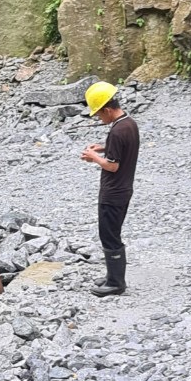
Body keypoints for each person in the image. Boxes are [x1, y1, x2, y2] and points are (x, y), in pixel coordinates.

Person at [80, 81, 139, 298]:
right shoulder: (128, 124)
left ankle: (116, 283)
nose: (98, 118)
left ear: (107, 109)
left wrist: (94, 157)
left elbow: (113, 165)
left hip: (113, 192)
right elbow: (122, 148)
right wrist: (102, 147)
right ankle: (111, 276)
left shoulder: (117, 131)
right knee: (112, 232)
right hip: (124, 188)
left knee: (109, 235)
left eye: (98, 114)